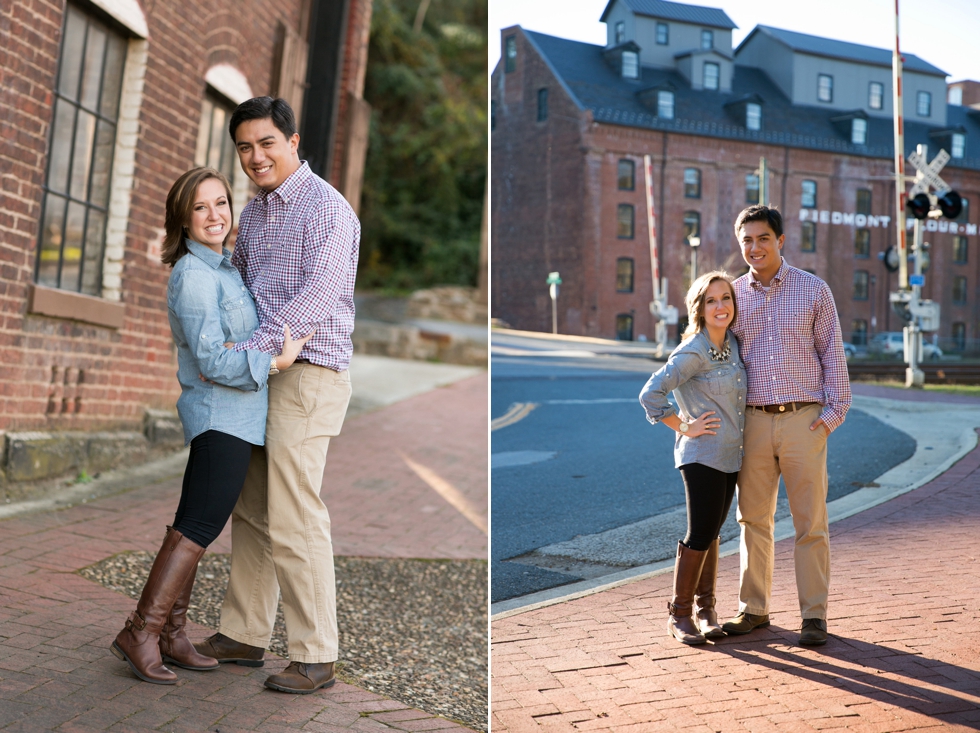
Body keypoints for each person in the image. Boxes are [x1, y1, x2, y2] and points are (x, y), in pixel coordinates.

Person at [111, 167, 309, 684]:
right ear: (183, 218)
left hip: (239, 419)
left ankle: (172, 634)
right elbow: (214, 359)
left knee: (191, 524)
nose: (214, 215)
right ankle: (141, 631)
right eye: (200, 208)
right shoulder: (194, 276)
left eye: (220, 203)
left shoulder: (224, 270)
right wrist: (275, 362)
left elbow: (227, 346)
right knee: (197, 528)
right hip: (220, 418)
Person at [192, 97, 360, 694]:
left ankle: (317, 654)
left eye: (266, 143)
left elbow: (312, 302)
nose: (255, 156)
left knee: (295, 512)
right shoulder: (256, 214)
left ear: (293, 141)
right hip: (260, 373)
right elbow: (240, 291)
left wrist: (247, 354)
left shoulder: (329, 211)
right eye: (244, 147)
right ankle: (244, 634)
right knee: (252, 509)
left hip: (305, 373)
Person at [721, 205, 851, 647]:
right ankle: (753, 608)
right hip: (753, 422)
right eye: (746, 241)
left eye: (762, 238)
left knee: (810, 524)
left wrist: (830, 417)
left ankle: (814, 615)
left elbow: (833, 355)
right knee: (752, 519)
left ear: (780, 240)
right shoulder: (733, 295)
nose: (754, 248)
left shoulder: (814, 290)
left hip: (803, 421)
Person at [640, 271, 747, 645]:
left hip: (731, 453)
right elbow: (651, 393)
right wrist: (684, 427)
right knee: (700, 531)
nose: (721, 306)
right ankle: (680, 613)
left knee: (713, 531)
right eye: (711, 300)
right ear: (699, 309)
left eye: (726, 298)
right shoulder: (693, 351)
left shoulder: (733, 343)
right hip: (701, 454)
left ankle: (706, 610)